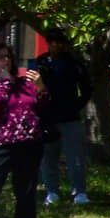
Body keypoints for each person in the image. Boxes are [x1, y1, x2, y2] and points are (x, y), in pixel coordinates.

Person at [31, 28, 92, 206]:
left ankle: (79, 192)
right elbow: (31, 87)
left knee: (75, 157)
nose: (57, 46)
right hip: (47, 117)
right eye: (53, 42)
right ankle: (52, 191)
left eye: (60, 43)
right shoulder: (40, 63)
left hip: (69, 117)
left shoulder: (74, 64)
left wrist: (75, 106)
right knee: (48, 156)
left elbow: (87, 89)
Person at [0, 45, 45, 218]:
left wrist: (40, 86)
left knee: (26, 189)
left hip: (28, 142)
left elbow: (42, 103)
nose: (5, 60)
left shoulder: (24, 83)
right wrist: (5, 82)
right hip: (1, 142)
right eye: (0, 57)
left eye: (7, 56)